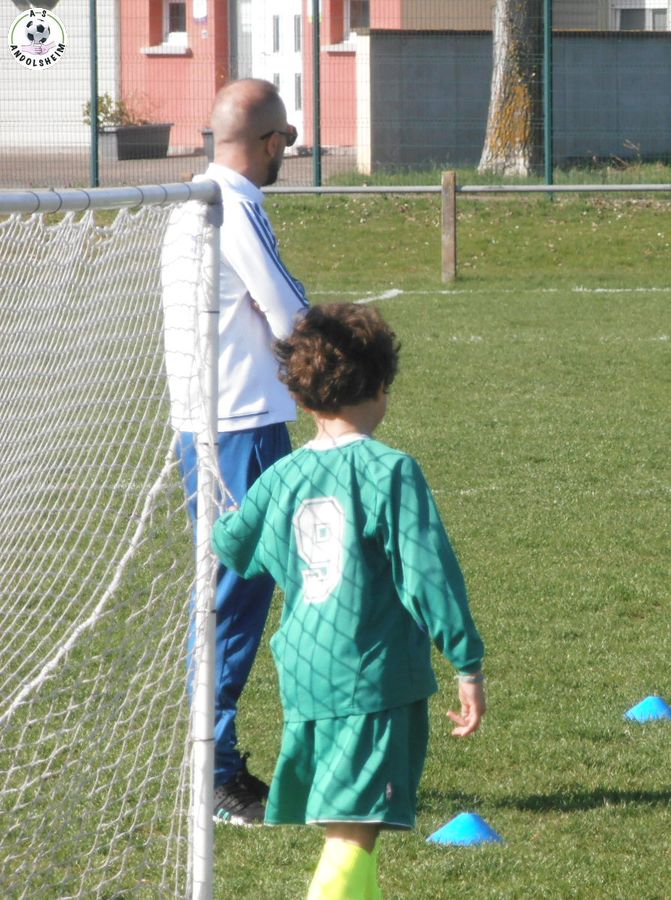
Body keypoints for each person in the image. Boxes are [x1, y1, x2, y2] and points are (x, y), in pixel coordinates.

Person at [211, 303, 486, 899]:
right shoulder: (390, 471)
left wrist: (218, 495)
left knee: (350, 821)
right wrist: (467, 663)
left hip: (305, 675)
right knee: (354, 831)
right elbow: (430, 576)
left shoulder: (281, 476)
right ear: (382, 386)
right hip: (372, 676)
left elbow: (232, 544)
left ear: (300, 398)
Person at [161, 78, 308, 824]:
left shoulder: (190, 201)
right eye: (286, 141)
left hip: (206, 423)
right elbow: (288, 315)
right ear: (269, 142)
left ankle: (217, 758)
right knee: (237, 593)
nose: (287, 153)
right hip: (241, 426)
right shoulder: (236, 202)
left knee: (234, 589)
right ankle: (214, 770)